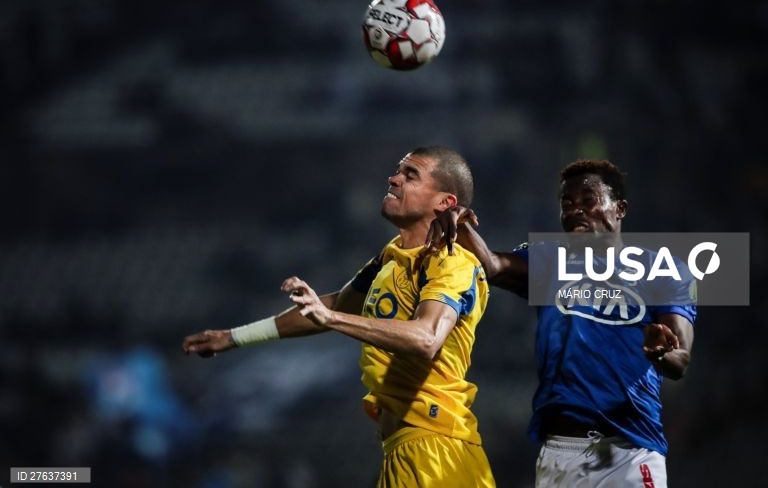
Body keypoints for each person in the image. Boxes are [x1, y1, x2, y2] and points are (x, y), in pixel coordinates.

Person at [182, 146, 496, 488]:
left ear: (445, 203)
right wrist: (233, 337)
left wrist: (330, 319)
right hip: (406, 448)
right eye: (397, 171)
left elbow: (426, 337)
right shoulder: (389, 260)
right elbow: (332, 306)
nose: (393, 179)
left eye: (411, 175)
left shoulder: (453, 262)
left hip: (437, 451)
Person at [425, 159, 695, 488]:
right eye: (567, 204)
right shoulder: (550, 261)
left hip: (629, 449)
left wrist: (659, 353)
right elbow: (493, 266)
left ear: (620, 208)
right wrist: (461, 221)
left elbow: (680, 360)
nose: (575, 211)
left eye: (588, 201)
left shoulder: (664, 270)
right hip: (558, 453)